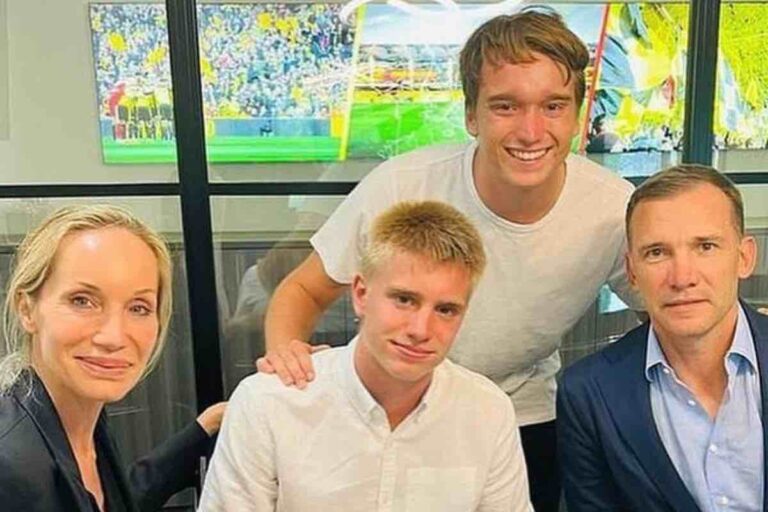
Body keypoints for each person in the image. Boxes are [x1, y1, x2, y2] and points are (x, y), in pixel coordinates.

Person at [258, 9, 640, 510]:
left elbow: (668, 312)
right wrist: (287, 368)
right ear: (471, 116)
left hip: (522, 415)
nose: (531, 131)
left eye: (553, 106)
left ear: (576, 115)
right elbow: (303, 290)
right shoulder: (403, 185)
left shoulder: (614, 208)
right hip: (389, 403)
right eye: (505, 106)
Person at [199, 201, 533, 511]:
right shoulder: (268, 403)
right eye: (404, 300)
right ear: (360, 294)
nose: (421, 329)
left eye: (445, 310)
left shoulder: (488, 411)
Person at [557, 165, 767, 511]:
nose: (682, 278)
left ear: (744, 258)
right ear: (632, 272)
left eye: (705, 246)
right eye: (657, 252)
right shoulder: (589, 393)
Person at [0, 205, 223, 512]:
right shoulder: (10, 465)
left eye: (138, 308)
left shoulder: (83, 430)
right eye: (82, 301)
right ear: (27, 310)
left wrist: (204, 427)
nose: (114, 337)